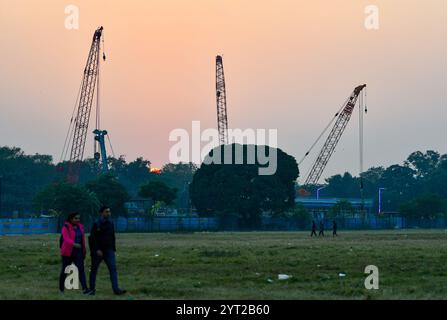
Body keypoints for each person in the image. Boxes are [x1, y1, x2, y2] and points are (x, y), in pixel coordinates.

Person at [88, 206, 126, 295]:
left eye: (109, 212)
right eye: (106, 212)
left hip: (109, 250)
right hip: (98, 252)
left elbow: (112, 236)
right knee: (94, 270)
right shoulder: (96, 224)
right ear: (101, 213)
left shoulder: (111, 223)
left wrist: (113, 249)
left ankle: (116, 289)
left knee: (113, 270)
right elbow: (92, 239)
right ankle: (92, 289)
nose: (108, 213)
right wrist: (96, 249)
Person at [59, 212, 89, 294]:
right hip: (67, 252)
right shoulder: (66, 227)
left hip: (78, 252)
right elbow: (66, 238)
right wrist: (74, 244)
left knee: (81, 270)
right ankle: (61, 289)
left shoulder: (80, 227)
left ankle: (85, 289)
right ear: (71, 219)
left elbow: (82, 240)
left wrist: (84, 250)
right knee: (65, 270)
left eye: (78, 218)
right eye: (75, 218)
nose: (77, 220)